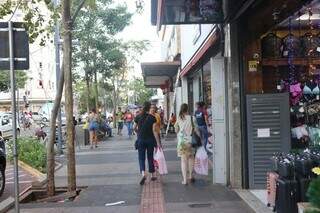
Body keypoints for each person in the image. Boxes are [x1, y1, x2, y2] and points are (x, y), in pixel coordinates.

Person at [134, 101, 161, 185]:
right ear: (149, 108)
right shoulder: (152, 118)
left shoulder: (138, 117)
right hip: (150, 140)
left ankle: (143, 173)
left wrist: (138, 133)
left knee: (141, 158)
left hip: (141, 140)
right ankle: (152, 174)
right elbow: (154, 131)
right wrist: (158, 142)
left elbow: (134, 128)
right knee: (150, 157)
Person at [175, 103, 196, 185]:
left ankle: (184, 180)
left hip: (182, 142)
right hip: (191, 141)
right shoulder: (192, 118)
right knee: (191, 158)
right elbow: (195, 129)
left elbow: (176, 130)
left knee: (183, 161)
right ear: (187, 109)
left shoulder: (179, 118)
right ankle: (190, 176)